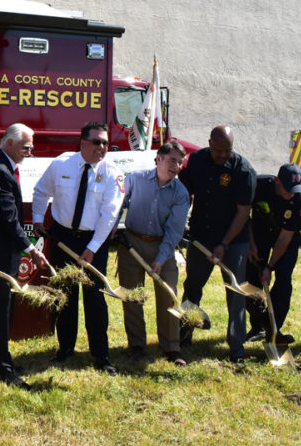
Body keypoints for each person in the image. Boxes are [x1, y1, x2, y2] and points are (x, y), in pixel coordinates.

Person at [32, 121, 125, 375]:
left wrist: (93, 248)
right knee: (65, 295)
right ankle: (65, 349)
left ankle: (101, 355)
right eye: (97, 142)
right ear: (82, 142)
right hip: (62, 239)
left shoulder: (112, 172)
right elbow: (41, 191)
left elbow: (109, 215)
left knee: (95, 298)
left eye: (105, 142)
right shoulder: (62, 165)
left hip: (95, 240)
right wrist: (39, 218)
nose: (102, 147)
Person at [178, 126, 256, 364]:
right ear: (209, 143)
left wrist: (224, 243)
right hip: (201, 237)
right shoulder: (197, 161)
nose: (223, 155)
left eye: (227, 151)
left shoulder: (244, 170)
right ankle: (184, 335)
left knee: (235, 292)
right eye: (218, 150)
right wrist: (179, 222)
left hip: (233, 241)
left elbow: (243, 213)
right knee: (192, 286)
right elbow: (185, 193)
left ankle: (236, 349)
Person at [116, 140, 190, 365]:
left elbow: (175, 230)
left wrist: (160, 259)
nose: (175, 166)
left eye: (179, 162)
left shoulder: (181, 193)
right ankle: (137, 345)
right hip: (132, 242)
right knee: (132, 296)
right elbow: (117, 203)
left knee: (168, 295)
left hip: (163, 245)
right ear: (158, 159)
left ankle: (171, 348)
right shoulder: (135, 179)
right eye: (171, 160)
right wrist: (112, 227)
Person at [0, 123, 48, 389]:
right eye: (26, 147)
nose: (30, 151)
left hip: (6, 252)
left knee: (5, 308)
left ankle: (3, 359)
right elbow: (8, 218)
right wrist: (31, 248)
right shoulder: (1, 170)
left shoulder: (7, 166)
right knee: (0, 311)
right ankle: (0, 367)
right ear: (9, 143)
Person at [242, 163, 301, 345]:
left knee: (284, 281)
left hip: (285, 238)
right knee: (250, 281)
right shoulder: (259, 185)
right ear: (277, 181)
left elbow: (285, 237)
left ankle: (274, 329)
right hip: (259, 233)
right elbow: (243, 214)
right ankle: (258, 325)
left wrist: (270, 267)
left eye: (295, 189)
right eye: (288, 189)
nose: (292, 194)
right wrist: (251, 245)